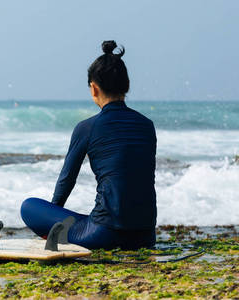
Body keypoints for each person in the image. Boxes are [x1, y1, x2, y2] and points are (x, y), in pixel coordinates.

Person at [20, 40, 157, 250]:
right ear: (126, 86)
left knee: (28, 206)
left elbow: (67, 180)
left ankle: (68, 231)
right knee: (93, 216)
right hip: (145, 237)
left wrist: (51, 219)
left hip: (103, 236)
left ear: (94, 89)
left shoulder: (87, 127)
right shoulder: (147, 125)